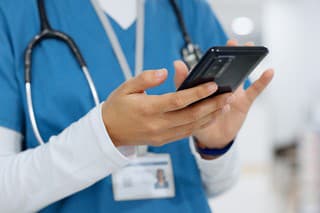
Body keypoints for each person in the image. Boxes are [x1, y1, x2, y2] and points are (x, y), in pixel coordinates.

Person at [0, 0, 274, 212]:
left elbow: (218, 186)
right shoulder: (15, 13)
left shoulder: (188, 9)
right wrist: (108, 134)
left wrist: (215, 147)